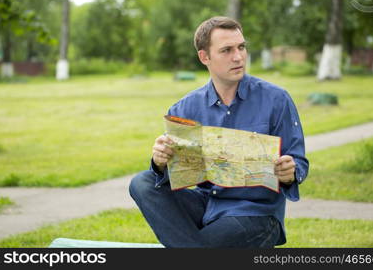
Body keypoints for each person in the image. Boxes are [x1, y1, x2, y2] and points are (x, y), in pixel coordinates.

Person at [129, 16, 309, 248]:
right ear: (205, 57)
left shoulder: (276, 99)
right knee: (142, 182)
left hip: (256, 213)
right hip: (206, 204)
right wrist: (160, 162)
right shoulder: (184, 109)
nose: (238, 57)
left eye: (241, 47)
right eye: (226, 50)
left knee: (202, 245)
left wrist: (290, 172)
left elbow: (299, 163)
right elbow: (177, 175)